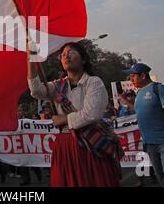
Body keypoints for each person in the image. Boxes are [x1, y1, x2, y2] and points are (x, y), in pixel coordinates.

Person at [28, 41, 122, 187]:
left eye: (71, 52)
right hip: (65, 145)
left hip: (90, 144)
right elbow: (36, 90)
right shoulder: (58, 86)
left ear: (83, 59)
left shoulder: (93, 82)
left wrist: (63, 119)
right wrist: (32, 58)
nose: (66, 56)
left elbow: (91, 114)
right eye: (63, 54)